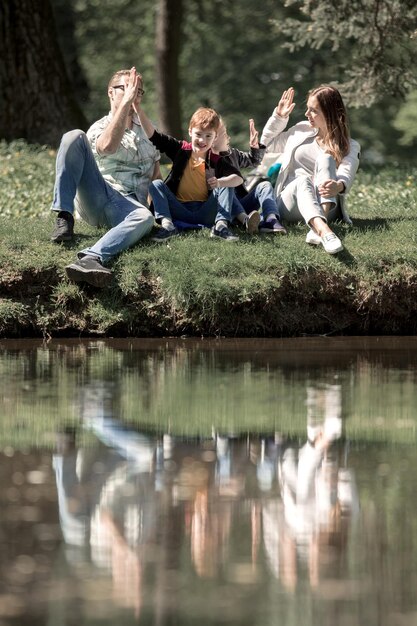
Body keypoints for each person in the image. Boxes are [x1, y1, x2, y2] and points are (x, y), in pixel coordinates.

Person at [50, 67, 160, 287]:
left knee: (144, 218)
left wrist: (162, 213)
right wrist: (126, 104)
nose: (134, 93)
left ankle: (91, 258)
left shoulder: (149, 129)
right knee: (73, 136)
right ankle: (64, 216)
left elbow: (155, 174)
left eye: (138, 90)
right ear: (111, 93)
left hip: (129, 206)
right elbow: (108, 147)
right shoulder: (99, 127)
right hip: (100, 196)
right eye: (127, 88)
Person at [260, 85, 360, 254]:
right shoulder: (301, 129)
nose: (307, 114)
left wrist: (339, 186)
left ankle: (317, 226)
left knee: (326, 158)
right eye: (308, 109)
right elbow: (266, 146)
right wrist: (278, 118)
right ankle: (324, 231)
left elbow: (347, 172)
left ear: (329, 113)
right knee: (303, 180)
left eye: (314, 110)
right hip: (290, 202)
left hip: (327, 204)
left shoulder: (350, 146)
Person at [135, 104, 244, 242]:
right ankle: (168, 226)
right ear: (190, 131)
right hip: (179, 210)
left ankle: (221, 227)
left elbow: (238, 179)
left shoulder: (218, 159)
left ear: (215, 137)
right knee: (156, 184)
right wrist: (138, 109)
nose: (202, 140)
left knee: (227, 183)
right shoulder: (180, 150)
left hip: (206, 211)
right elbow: (154, 136)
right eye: (198, 134)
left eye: (208, 136)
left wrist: (220, 182)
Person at [213, 118, 287, 234]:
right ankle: (244, 221)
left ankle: (270, 220)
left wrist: (255, 148)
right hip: (223, 209)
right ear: (213, 139)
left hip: (243, 204)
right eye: (224, 134)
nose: (229, 137)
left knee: (265, 185)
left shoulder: (233, 155)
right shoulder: (205, 161)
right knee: (225, 183)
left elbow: (253, 161)